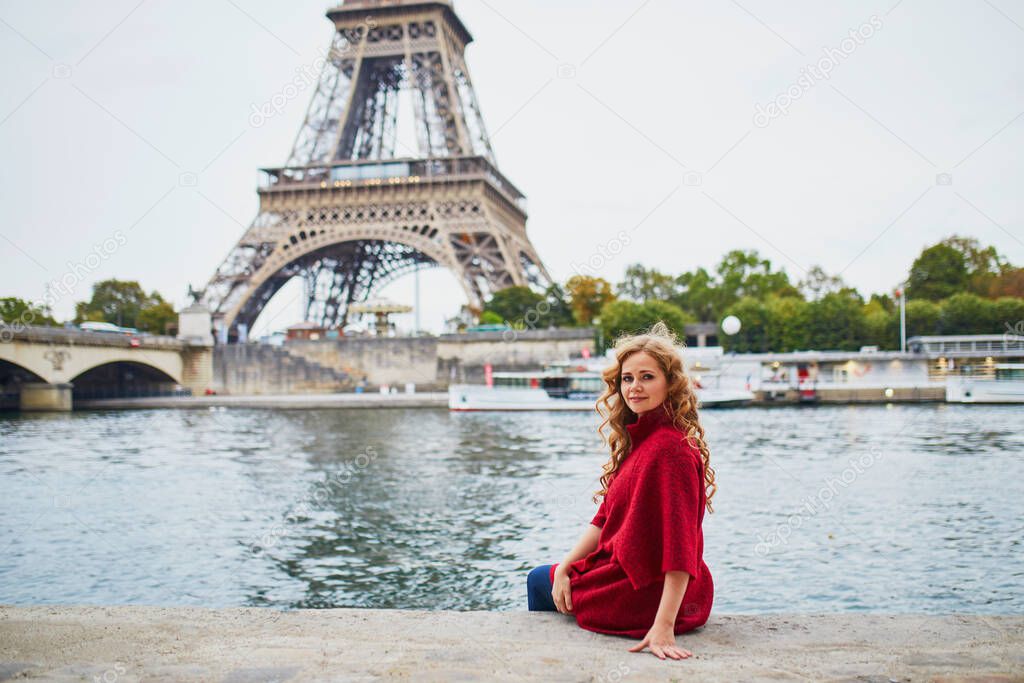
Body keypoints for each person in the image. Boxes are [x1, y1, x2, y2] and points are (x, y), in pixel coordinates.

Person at [526, 321, 716, 661]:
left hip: (646, 593)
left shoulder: (670, 451)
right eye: (627, 378)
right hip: (647, 583)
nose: (634, 388)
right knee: (555, 576)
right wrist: (569, 564)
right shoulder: (644, 440)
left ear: (670, 383)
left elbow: (680, 546)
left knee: (538, 579)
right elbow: (604, 519)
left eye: (647, 377)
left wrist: (663, 625)